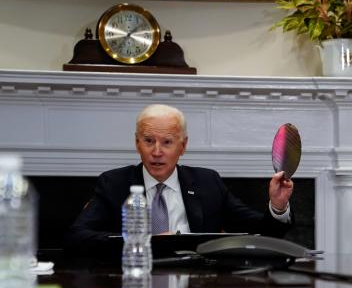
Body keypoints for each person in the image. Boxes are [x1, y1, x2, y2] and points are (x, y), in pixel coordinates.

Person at [66, 104, 294, 257]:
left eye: (167, 142)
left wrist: (278, 206)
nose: (157, 152)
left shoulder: (207, 182)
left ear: (183, 146)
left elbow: (264, 234)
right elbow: (77, 237)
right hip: (134, 283)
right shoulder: (114, 183)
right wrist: (143, 242)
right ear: (137, 144)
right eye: (148, 141)